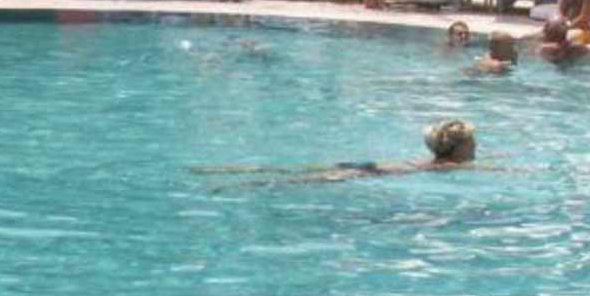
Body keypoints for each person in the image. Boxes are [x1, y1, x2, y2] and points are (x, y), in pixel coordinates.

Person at [195, 119, 479, 183]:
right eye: (472, 141)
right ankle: (241, 185)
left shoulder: (434, 160)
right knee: (295, 181)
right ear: (459, 147)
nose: (476, 145)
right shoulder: (448, 166)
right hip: (375, 173)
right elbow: (491, 168)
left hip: (377, 164)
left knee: (295, 172)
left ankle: (227, 170)